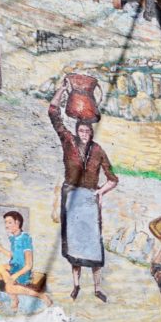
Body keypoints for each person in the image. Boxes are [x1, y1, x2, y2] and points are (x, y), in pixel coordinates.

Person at [49, 82, 119, 302]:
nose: (85, 133)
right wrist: (61, 89)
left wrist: (100, 193)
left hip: (88, 197)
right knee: (74, 244)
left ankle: (97, 288)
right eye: (81, 130)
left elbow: (113, 178)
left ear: (91, 132)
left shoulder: (98, 150)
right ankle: (76, 285)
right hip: (71, 195)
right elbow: (53, 113)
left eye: (88, 130)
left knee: (93, 245)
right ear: (77, 131)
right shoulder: (68, 141)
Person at [0, 211, 52, 311]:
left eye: (9, 222)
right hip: (14, 266)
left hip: (22, 271)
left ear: (17, 222)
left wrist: (15, 276)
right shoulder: (13, 238)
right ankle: (14, 296)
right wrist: (2, 250)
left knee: (8, 288)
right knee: (1, 267)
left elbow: (29, 265)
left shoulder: (25, 238)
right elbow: (15, 256)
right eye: (5, 223)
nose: (6, 225)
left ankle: (41, 296)